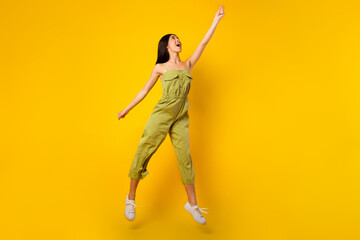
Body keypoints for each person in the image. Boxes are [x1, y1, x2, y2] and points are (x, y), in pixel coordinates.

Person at [117, 5, 225, 224]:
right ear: (167, 45)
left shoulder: (187, 64)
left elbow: (204, 43)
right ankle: (130, 198)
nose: (178, 40)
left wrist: (216, 20)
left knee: (185, 158)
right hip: (162, 113)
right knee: (144, 149)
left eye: (179, 38)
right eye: (174, 38)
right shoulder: (160, 67)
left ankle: (192, 205)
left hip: (181, 116)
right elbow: (144, 90)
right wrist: (127, 109)